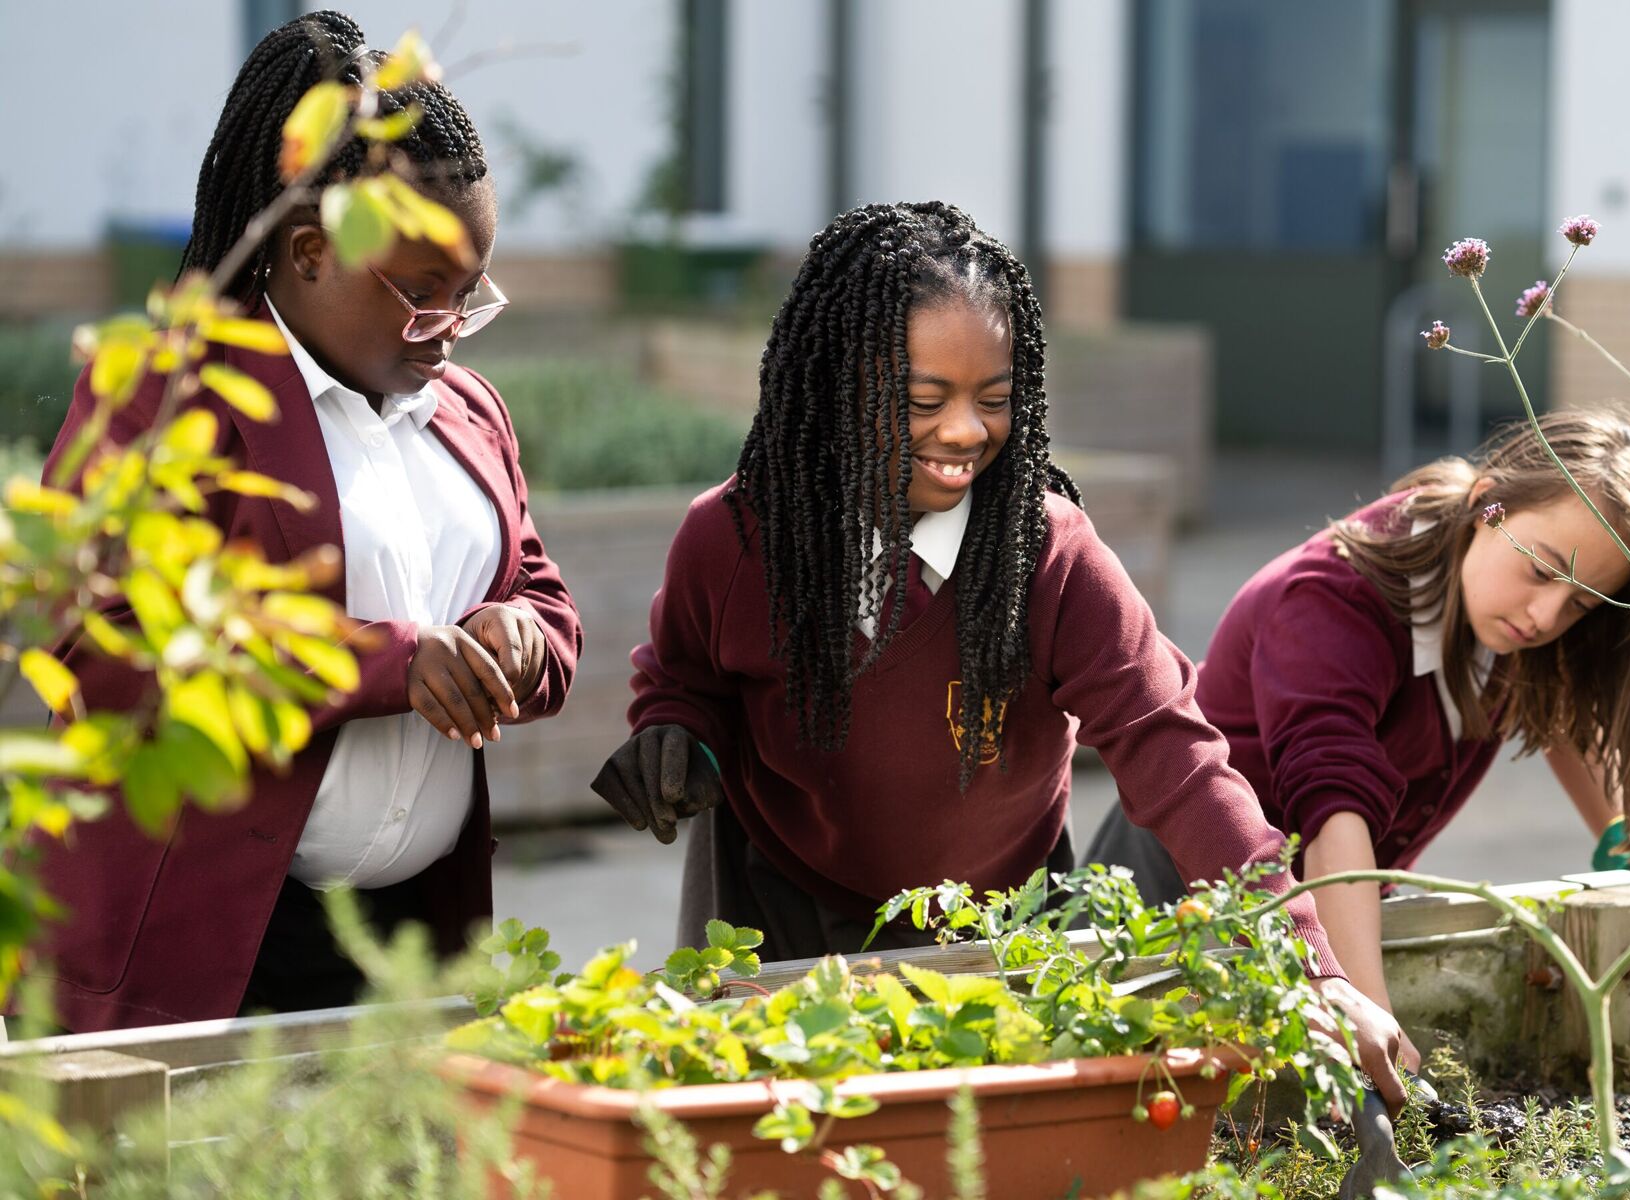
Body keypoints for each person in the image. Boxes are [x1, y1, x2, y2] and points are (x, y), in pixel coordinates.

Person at [591, 200, 1413, 1106]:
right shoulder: (736, 536)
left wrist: (1312, 965)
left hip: (1002, 917)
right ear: (833, 387)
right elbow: (683, 677)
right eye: (922, 401)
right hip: (777, 900)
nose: (966, 434)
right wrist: (672, 731)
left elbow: (1178, 758)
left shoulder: (1049, 553)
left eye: (994, 400)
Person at [34, 10, 579, 1031]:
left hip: (408, 944)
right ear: (307, 253)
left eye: (471, 295)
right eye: (423, 295)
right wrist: (393, 662)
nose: (451, 332)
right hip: (201, 949)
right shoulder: (172, 398)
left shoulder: (467, 413)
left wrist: (521, 637)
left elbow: (539, 592)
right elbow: (100, 648)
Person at [1087, 411, 1630, 1068]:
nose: (1547, 617)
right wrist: (1371, 1020)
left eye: (1581, 604)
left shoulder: (1501, 598)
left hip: (1323, 912)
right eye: (1542, 573)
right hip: (1174, 895)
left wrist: (1629, 832)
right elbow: (1333, 817)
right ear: (1488, 505)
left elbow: (1559, 699)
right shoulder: (1331, 600)